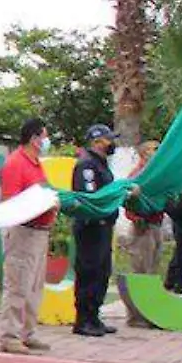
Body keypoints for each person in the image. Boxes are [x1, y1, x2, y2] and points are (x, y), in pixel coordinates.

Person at [0, 118, 57, 356]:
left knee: (33, 286)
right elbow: (11, 202)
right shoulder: (16, 164)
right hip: (23, 231)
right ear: (34, 138)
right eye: (44, 136)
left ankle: (28, 332)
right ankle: (10, 335)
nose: (46, 141)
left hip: (39, 233)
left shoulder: (36, 164)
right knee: (18, 284)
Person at [71, 124, 121, 338]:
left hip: (104, 226)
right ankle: (83, 320)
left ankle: (94, 316)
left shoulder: (100, 164)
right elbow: (90, 197)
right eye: (109, 139)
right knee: (89, 271)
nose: (113, 143)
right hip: (91, 227)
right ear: (97, 142)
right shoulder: (87, 166)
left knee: (102, 272)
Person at [122, 141, 166, 327]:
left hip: (156, 225)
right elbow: (126, 200)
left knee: (152, 270)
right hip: (142, 226)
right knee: (140, 270)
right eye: (154, 150)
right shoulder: (136, 176)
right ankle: (135, 316)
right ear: (144, 154)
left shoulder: (155, 176)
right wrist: (135, 217)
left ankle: (148, 312)